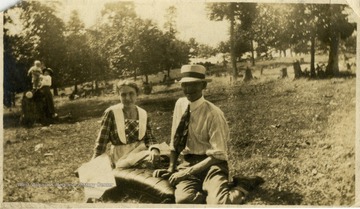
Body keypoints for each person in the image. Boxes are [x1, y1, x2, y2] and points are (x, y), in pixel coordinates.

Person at [153, 64, 264, 204]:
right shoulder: (180, 104)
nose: (188, 89)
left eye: (194, 85)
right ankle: (211, 189)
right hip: (187, 163)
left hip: (212, 164)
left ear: (203, 85)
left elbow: (218, 155)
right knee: (183, 200)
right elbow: (175, 140)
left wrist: (185, 173)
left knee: (220, 203)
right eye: (185, 85)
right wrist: (171, 168)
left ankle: (243, 184)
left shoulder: (214, 114)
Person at [92, 80, 161, 169]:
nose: (127, 98)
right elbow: (102, 141)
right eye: (123, 95)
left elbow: (149, 137)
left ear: (137, 94)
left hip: (141, 153)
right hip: (121, 158)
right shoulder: (112, 113)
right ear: (119, 96)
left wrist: (154, 149)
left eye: (131, 94)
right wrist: (94, 162)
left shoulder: (143, 113)